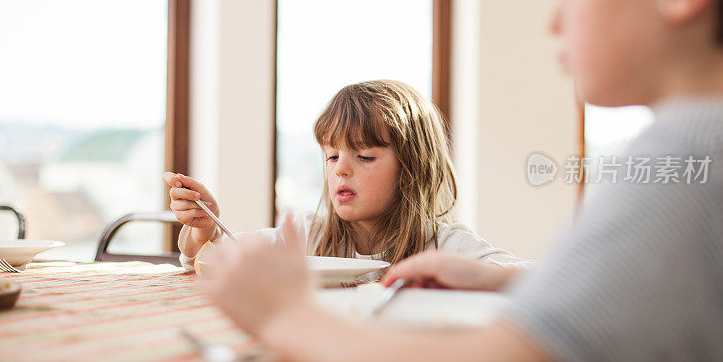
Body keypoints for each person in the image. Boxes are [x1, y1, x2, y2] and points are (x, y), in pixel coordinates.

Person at [195, 0, 723, 362]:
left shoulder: (686, 162)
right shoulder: (720, 155)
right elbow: (636, 291)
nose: (554, 16)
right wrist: (501, 277)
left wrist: (283, 316)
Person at [163, 80, 524, 277]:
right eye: (332, 156)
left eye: (364, 156)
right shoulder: (308, 234)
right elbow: (215, 258)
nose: (340, 170)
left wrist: (478, 276)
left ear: (412, 169)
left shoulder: (443, 245)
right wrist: (204, 229)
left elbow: (544, 280)